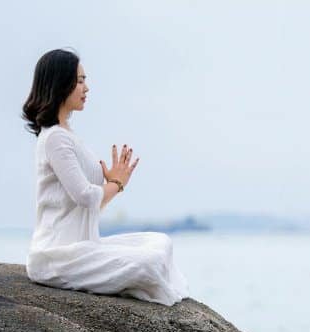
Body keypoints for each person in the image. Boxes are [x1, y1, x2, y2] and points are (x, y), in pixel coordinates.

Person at [23, 47, 190, 306]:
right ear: (60, 83)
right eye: (80, 81)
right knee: (148, 263)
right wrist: (116, 183)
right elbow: (86, 196)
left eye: (85, 80)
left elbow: (91, 206)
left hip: (86, 248)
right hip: (57, 257)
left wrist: (113, 185)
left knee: (160, 242)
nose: (86, 88)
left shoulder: (67, 135)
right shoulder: (55, 138)